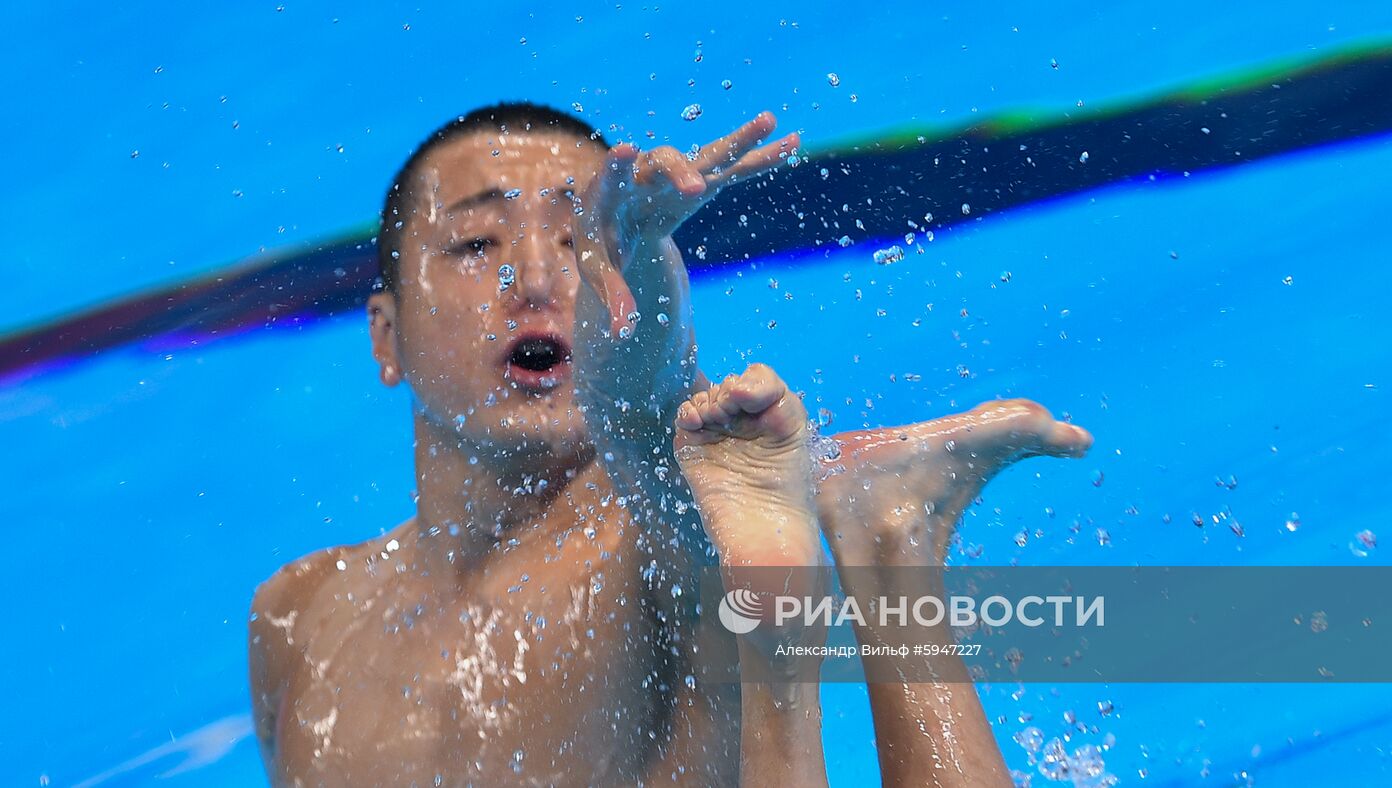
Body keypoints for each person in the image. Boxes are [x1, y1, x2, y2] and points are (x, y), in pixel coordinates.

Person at [248, 102, 1092, 786]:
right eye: (477, 244)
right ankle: (885, 532)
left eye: (583, 242)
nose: (540, 280)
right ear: (385, 338)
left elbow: (643, 410)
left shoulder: (658, 532)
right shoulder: (298, 615)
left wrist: (641, 264)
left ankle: (881, 552)